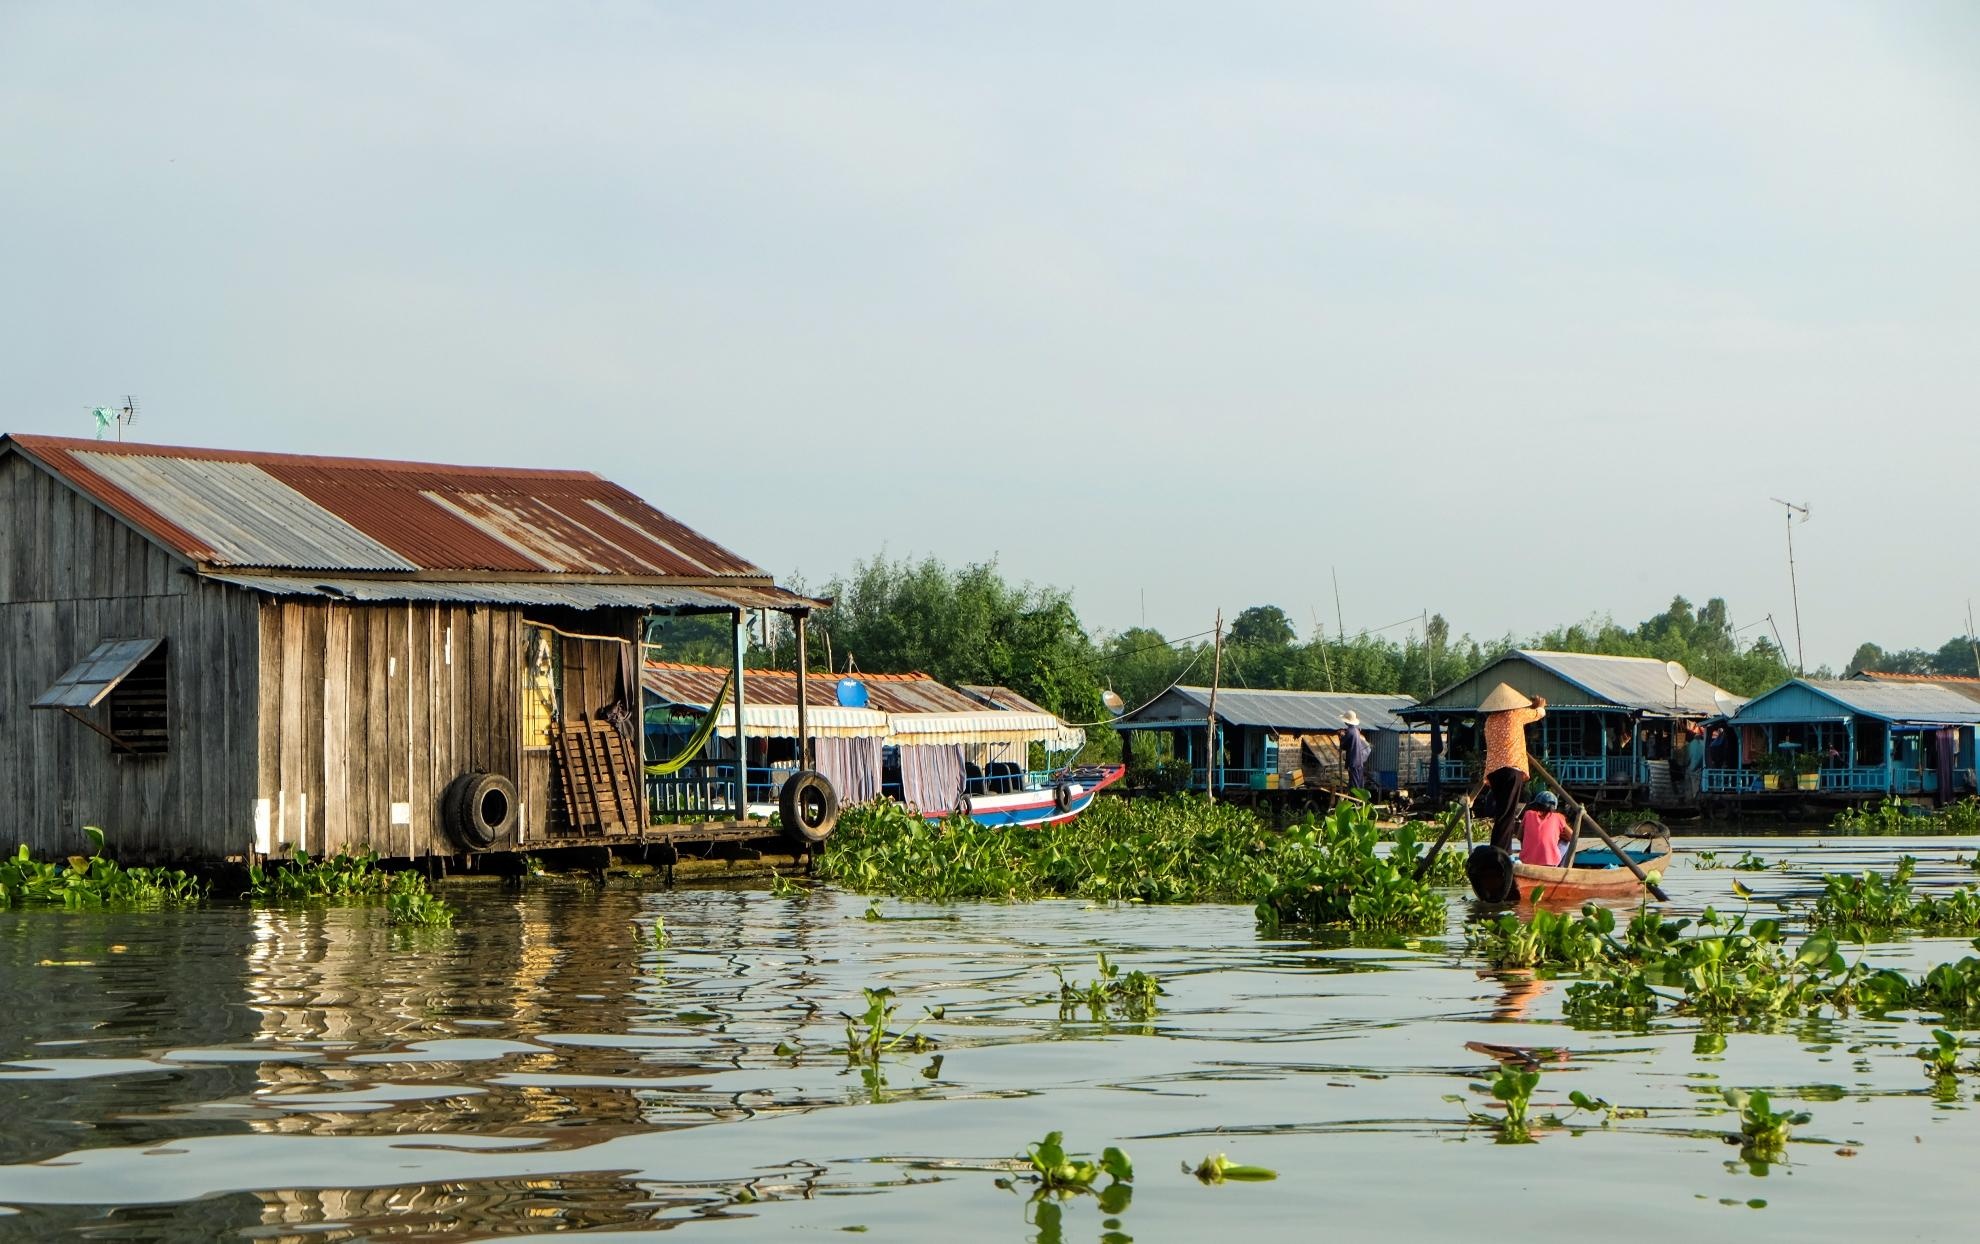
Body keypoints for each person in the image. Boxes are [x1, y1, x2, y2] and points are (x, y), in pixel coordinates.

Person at [1475, 683, 1547, 852]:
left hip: (1494, 771)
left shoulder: (1490, 721)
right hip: (1511, 769)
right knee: (1507, 814)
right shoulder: (1515, 714)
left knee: (1502, 812)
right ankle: (1500, 851)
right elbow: (1540, 713)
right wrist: (1539, 705)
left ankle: (1499, 849)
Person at [1514, 789, 1573, 867]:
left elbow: (1519, 836)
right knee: (1566, 842)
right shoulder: (1558, 817)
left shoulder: (1528, 814)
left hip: (1526, 861)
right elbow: (1573, 837)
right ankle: (1561, 869)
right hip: (1550, 862)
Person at [1339, 710, 1371, 791]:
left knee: (1354, 783)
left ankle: (1355, 800)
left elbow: (1343, 745)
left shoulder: (1349, 731)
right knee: (1359, 782)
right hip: (1358, 761)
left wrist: (1341, 736)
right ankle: (1360, 800)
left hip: (1353, 761)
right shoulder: (1356, 731)